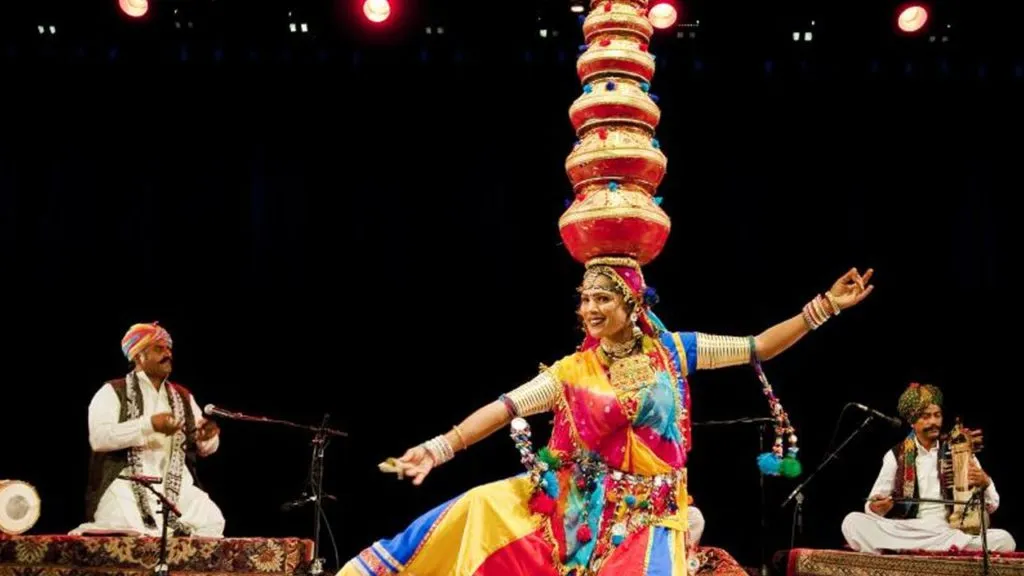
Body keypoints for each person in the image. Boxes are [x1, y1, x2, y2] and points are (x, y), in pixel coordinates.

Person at [339, 261, 873, 576]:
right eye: (584, 299)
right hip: (578, 508)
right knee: (475, 509)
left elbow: (759, 347)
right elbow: (505, 408)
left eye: (602, 298)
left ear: (632, 304)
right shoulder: (571, 371)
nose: (590, 309)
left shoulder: (675, 352)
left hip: (653, 514)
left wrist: (825, 306)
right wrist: (438, 448)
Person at [72, 322, 226, 537]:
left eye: (168, 348)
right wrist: (149, 425)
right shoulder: (112, 391)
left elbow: (206, 449)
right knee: (130, 529)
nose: (167, 354)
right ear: (138, 356)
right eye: (159, 348)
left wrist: (207, 438)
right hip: (126, 484)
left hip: (176, 487)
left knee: (212, 521)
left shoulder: (183, 397)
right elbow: (100, 439)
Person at [841, 383, 1015, 554]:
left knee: (1004, 539)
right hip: (908, 529)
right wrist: (876, 508)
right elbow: (871, 506)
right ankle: (936, 550)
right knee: (851, 522)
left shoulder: (959, 449)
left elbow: (993, 505)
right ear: (912, 422)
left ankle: (908, 550)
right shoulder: (896, 455)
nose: (933, 422)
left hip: (950, 530)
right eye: (925, 416)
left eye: (937, 415)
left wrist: (985, 481)